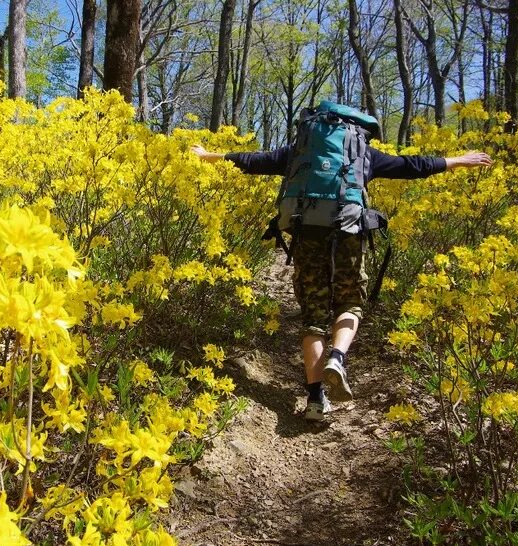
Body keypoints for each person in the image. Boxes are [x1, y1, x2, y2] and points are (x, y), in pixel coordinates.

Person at [191, 139, 492, 421]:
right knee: (350, 301)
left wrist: (208, 157)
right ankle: (337, 357)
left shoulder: (300, 152)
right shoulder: (362, 153)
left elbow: (251, 161)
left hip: (306, 232)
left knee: (313, 314)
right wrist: (458, 160)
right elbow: (411, 166)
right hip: (348, 233)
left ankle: (315, 399)